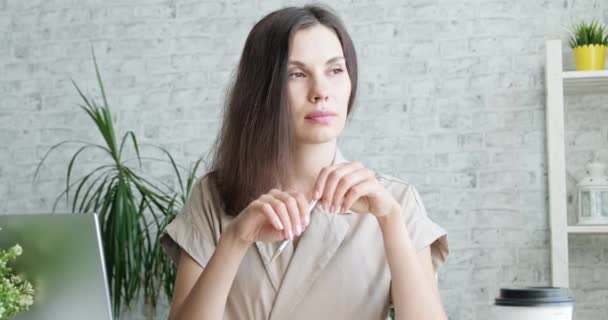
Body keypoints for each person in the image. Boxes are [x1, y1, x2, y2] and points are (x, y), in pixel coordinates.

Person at [160, 4, 449, 320]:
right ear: (262, 90)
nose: (321, 91)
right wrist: (236, 239)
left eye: (335, 70)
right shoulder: (214, 196)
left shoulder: (396, 202)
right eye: (296, 74)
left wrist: (390, 220)